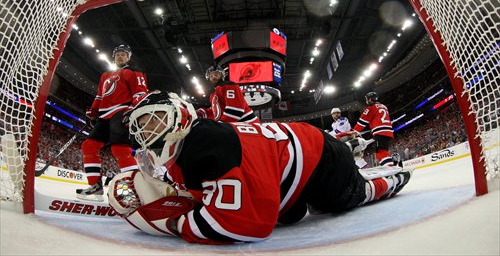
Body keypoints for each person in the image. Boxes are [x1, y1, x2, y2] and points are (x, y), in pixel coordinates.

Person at [107, 90, 412, 245]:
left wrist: (172, 223)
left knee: (340, 200)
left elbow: (244, 225)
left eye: (156, 117)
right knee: (291, 213)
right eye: (142, 126)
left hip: (321, 158)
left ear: (181, 113)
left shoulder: (204, 143)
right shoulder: (187, 151)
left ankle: (387, 182)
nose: (150, 130)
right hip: (288, 168)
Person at [76, 44, 148, 201]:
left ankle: (135, 190)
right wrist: (93, 111)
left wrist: (133, 110)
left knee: (120, 150)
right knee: (88, 145)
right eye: (117, 54)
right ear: (113, 57)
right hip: (104, 115)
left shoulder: (133, 72)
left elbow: (140, 93)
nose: (120, 57)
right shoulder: (105, 76)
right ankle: (95, 187)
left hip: (122, 112)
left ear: (128, 57)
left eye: (123, 54)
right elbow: (100, 96)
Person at [353, 92, 396, 167]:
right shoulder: (383, 106)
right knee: (384, 151)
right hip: (389, 132)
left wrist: (353, 132)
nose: (366, 101)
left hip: (380, 132)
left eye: (366, 99)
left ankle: (390, 168)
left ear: (369, 99)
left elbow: (361, 122)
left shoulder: (371, 107)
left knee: (380, 152)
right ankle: (391, 164)